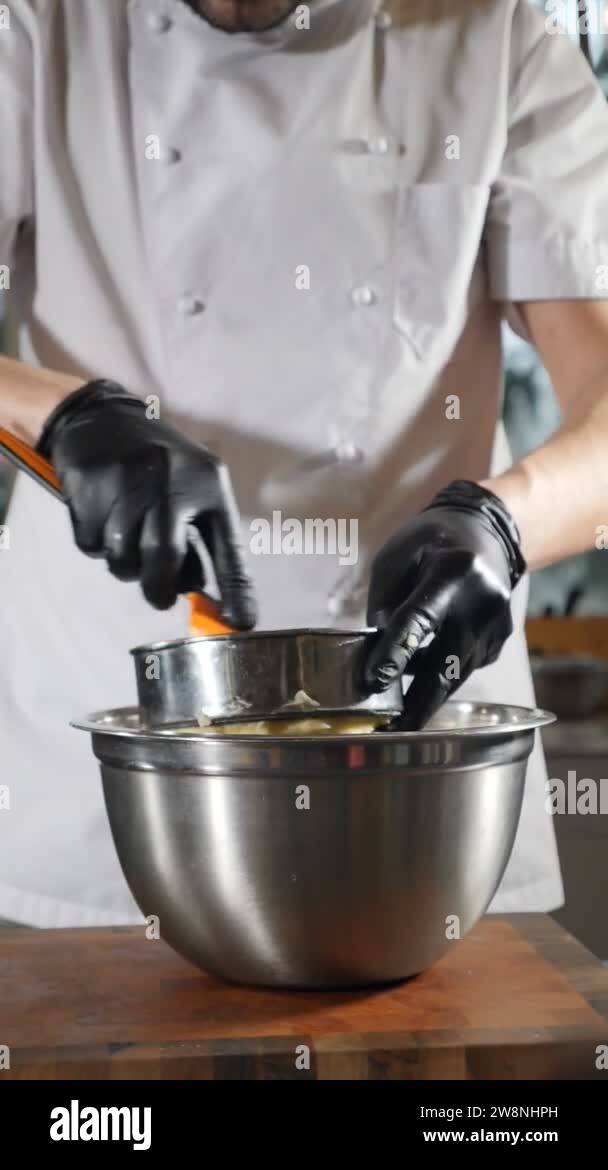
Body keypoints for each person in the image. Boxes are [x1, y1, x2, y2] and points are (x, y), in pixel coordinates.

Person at [0, 0, 607, 928]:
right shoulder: (36, 29)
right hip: (112, 789)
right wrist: (59, 416)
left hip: (423, 782)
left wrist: (505, 522)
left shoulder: (498, 34)